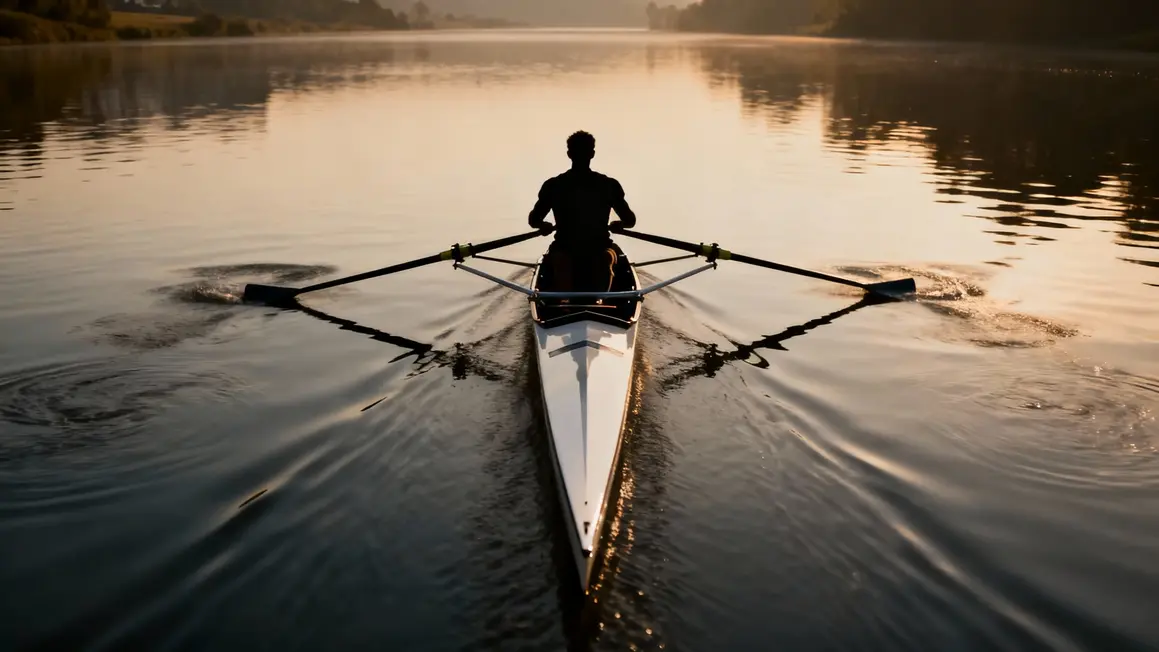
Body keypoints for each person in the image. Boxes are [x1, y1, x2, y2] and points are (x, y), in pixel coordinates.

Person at [528, 131, 636, 294]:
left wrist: (543, 226)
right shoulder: (609, 185)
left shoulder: (553, 186)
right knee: (606, 257)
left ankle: (564, 303)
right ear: (592, 154)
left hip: (564, 249)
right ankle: (600, 298)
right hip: (599, 250)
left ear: (569, 154)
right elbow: (630, 221)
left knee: (559, 259)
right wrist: (619, 225)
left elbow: (533, 220)